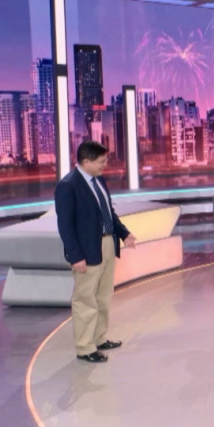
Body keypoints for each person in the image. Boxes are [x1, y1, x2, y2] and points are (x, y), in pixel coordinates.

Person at [55, 141, 137, 363]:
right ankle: (85, 347)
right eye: (101, 161)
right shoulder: (68, 186)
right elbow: (65, 226)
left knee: (103, 297)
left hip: (108, 244)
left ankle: (99, 338)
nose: (105, 165)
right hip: (86, 251)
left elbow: (108, 213)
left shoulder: (99, 180)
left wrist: (124, 234)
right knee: (85, 300)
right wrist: (75, 256)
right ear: (86, 162)